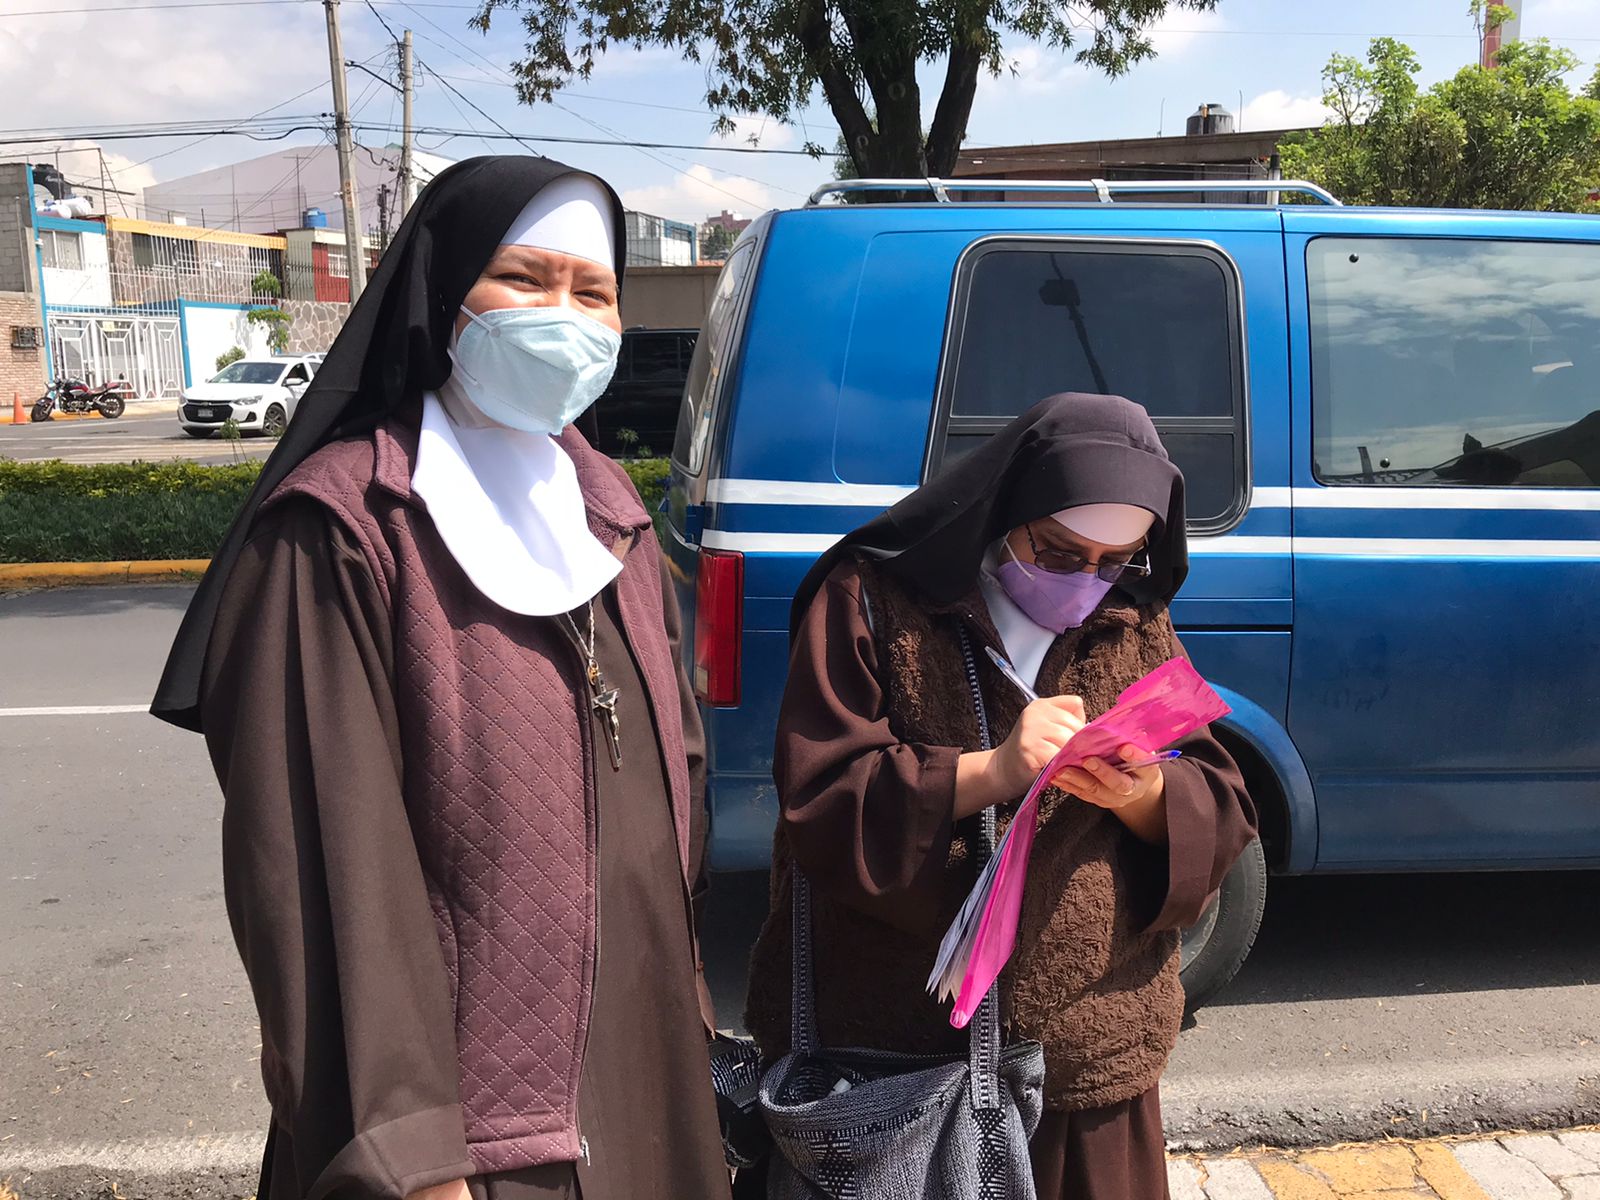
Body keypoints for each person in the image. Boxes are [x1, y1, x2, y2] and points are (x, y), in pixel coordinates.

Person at [152, 157, 730, 1200]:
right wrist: (408, 1151)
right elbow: (323, 872)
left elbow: (671, 785)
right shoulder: (344, 532)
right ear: (442, 290)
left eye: (592, 292)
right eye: (524, 277)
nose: (565, 316)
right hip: (466, 1137)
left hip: (637, 1081)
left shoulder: (612, 516)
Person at [743, 394, 1258, 1200]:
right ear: (1004, 512)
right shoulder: (873, 600)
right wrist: (985, 773)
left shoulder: (1133, 618)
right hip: (898, 1072)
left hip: (1086, 1066)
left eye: (1115, 559)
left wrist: (1145, 794)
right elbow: (822, 796)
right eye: (1058, 553)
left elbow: (1221, 801)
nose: (1087, 581)